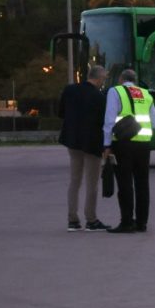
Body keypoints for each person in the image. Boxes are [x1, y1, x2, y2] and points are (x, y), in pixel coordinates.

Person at [102, 69, 155, 234]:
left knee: (125, 183)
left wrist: (106, 145)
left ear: (121, 79)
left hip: (123, 143)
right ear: (135, 80)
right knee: (142, 184)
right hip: (143, 145)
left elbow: (109, 120)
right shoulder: (146, 94)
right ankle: (142, 223)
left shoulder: (116, 91)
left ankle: (127, 222)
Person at [58, 65, 110, 232]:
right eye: (104, 79)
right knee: (92, 183)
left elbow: (61, 113)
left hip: (72, 141)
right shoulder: (99, 97)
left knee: (75, 181)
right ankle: (91, 220)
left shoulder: (69, 90)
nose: (103, 82)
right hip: (92, 144)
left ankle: (72, 220)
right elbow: (104, 122)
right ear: (99, 78)